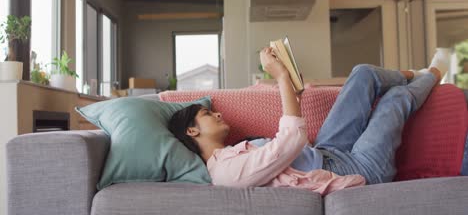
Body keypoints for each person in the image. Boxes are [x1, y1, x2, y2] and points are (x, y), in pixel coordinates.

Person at [168, 47, 450, 194]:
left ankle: (416, 73)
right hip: (356, 169)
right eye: (207, 114)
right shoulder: (226, 173)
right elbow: (291, 139)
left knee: (363, 74)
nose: (217, 113)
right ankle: (434, 75)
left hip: (326, 150)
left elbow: (291, 144)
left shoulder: (232, 154)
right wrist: (279, 78)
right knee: (393, 101)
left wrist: (293, 90)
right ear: (192, 130)